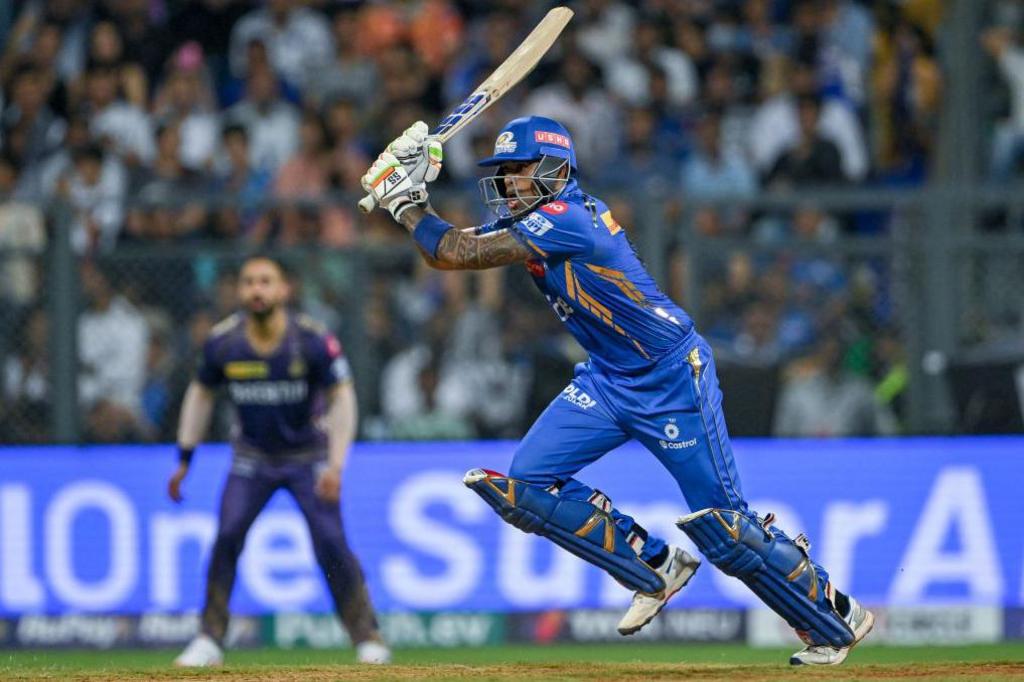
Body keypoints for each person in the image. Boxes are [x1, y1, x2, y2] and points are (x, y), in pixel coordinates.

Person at [360, 116, 874, 666]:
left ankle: (834, 614)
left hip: (672, 378)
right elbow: (455, 246)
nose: (508, 184)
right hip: (608, 379)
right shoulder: (541, 219)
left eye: (518, 172)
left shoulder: (567, 217)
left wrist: (406, 204)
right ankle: (654, 566)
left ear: (556, 170)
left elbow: (453, 253)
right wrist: (414, 195)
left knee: (725, 529)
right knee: (528, 484)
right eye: (502, 174)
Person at [168, 255, 389, 667]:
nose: (256, 290)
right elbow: (200, 394)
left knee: (331, 542)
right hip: (251, 458)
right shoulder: (223, 342)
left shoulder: (312, 340)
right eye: (249, 282)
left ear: (284, 289)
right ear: (239, 291)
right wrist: (184, 456)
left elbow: (343, 396)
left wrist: (337, 466)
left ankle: (367, 637)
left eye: (266, 281)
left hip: (308, 458)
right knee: (227, 535)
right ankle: (208, 639)